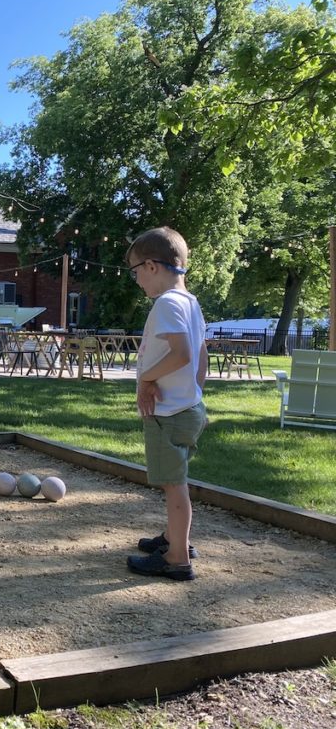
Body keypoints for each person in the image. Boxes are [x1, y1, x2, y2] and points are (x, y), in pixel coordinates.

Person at [125, 226, 208, 581]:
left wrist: (146, 379)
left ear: (152, 266)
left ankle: (177, 558)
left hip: (168, 413)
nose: (137, 281)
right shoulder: (190, 302)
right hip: (187, 408)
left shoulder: (168, 303)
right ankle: (175, 537)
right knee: (176, 479)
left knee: (174, 484)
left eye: (135, 272)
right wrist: (194, 393)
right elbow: (200, 355)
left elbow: (182, 354)